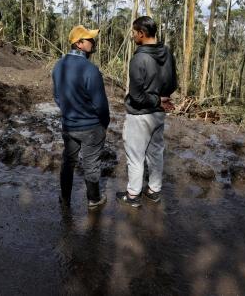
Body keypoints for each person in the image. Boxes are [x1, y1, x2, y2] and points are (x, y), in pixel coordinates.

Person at [117, 16, 177, 208]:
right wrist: (162, 98)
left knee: (135, 157)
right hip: (159, 114)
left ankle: (133, 195)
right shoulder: (167, 52)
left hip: (139, 115)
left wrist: (156, 99)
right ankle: (154, 190)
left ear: (141, 34)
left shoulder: (138, 59)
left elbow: (136, 96)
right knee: (156, 152)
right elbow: (173, 84)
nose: (133, 35)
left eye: (134, 33)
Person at [52, 25, 110, 210]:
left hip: (69, 125)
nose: (93, 42)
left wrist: (69, 112)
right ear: (78, 43)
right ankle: (94, 199)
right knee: (91, 164)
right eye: (89, 39)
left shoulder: (58, 66)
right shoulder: (90, 69)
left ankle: (65, 198)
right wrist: (104, 122)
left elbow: (57, 97)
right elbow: (100, 104)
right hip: (91, 127)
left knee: (68, 162)